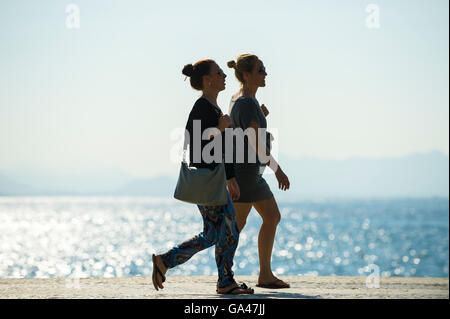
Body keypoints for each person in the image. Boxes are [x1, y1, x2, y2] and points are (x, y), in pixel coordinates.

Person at [152, 59, 254, 295]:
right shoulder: (202, 108)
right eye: (219, 73)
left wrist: (230, 177)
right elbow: (194, 144)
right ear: (208, 80)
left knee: (213, 233)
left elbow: (223, 148)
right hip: (207, 180)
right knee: (229, 230)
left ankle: (166, 261)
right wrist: (219, 129)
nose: (224, 76)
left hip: (214, 180)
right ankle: (225, 281)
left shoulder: (214, 109)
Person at [227, 54, 291, 289]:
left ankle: (254, 274)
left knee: (242, 224)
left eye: (265, 69)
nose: (265, 73)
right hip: (247, 173)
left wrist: (261, 118)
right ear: (246, 75)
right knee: (242, 224)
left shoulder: (242, 100)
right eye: (260, 69)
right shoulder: (245, 102)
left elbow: (244, 132)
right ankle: (233, 276)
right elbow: (253, 141)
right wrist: (278, 170)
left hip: (248, 172)